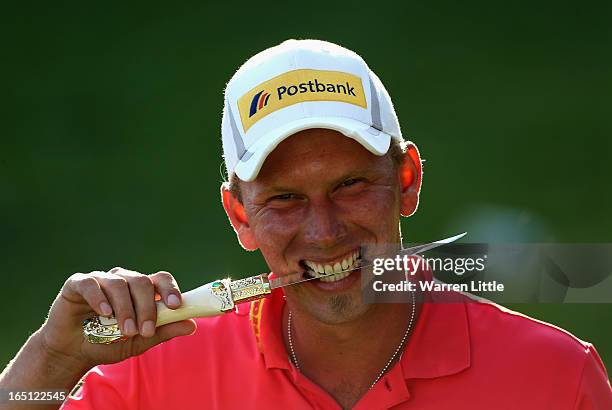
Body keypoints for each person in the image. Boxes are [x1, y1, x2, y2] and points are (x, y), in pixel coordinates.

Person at [1, 39, 610, 410]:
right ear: (240, 215)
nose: (323, 232)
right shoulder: (154, 375)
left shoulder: (556, 378)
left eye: (350, 185)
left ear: (406, 181)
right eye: (285, 199)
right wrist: (52, 360)